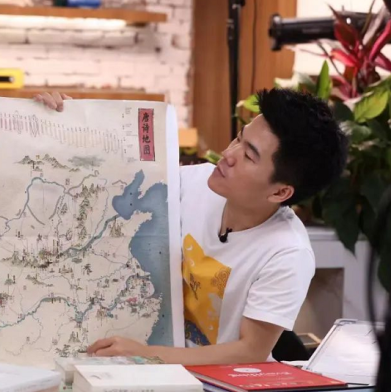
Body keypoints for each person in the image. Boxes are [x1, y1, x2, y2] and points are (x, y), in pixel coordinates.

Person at [34, 89, 349, 364]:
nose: (228, 154)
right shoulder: (192, 182)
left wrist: (146, 355)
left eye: (249, 156)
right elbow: (108, 184)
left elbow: (250, 351)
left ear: (280, 192)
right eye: (238, 138)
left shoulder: (287, 253)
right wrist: (65, 122)